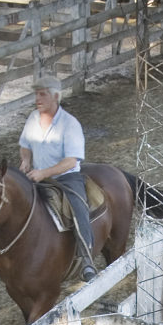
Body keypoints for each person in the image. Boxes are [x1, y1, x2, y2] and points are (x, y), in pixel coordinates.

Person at [18, 74, 98, 282]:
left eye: (42, 94)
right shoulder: (32, 119)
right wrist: (25, 161)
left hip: (66, 178)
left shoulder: (70, 125)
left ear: (55, 97)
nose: (37, 98)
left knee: (78, 206)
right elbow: (24, 145)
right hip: (36, 175)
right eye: (36, 94)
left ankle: (87, 259)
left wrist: (43, 173)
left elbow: (71, 161)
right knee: (9, 197)